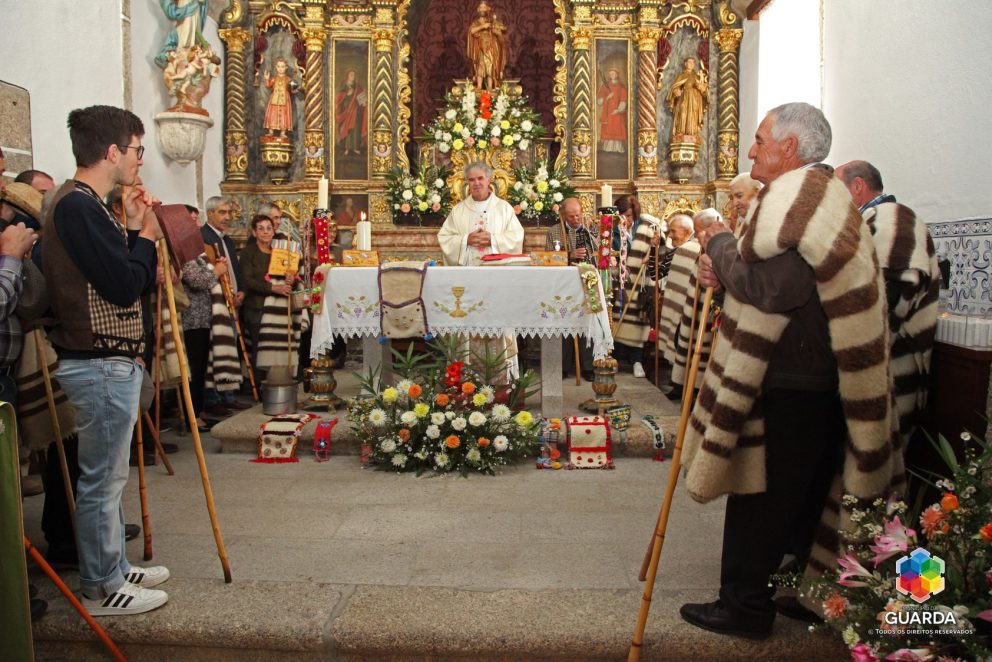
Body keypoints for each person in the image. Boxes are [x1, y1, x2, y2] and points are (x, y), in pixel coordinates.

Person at [679, 102, 899, 638]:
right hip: (814, 374)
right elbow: (764, 278)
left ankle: (744, 606)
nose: (751, 150)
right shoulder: (817, 197)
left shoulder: (803, 197)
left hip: (796, 378)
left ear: (790, 149)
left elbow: (774, 289)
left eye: (759, 140)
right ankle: (808, 590)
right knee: (801, 493)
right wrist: (725, 268)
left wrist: (721, 245)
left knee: (764, 493)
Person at [42, 105, 170, 616]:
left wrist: (134, 226)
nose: (140, 161)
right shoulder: (75, 206)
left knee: (109, 475)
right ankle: (101, 586)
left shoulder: (90, 205)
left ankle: (114, 566)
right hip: (96, 357)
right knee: (101, 477)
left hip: (109, 357)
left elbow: (121, 274)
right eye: (137, 150)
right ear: (113, 152)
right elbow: (121, 285)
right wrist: (145, 238)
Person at [835, 160, 939, 447]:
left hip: (889, 367)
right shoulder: (865, 222)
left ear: (857, 187)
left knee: (877, 461)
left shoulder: (894, 217)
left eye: (835, 188)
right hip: (865, 368)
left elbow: (892, 296)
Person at [438, 162, 524, 377]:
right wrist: (466, 240)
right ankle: (465, 380)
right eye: (471, 179)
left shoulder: (503, 208)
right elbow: (444, 238)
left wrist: (492, 239)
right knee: (467, 325)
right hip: (468, 282)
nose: (476, 183)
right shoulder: (458, 211)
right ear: (467, 183)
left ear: (489, 180)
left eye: (480, 179)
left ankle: (503, 379)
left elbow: (516, 238)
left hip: (497, 282)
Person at [660, 208, 721, 402]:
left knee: (701, 347)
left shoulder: (720, 250)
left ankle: (696, 389)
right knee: (683, 341)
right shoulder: (688, 250)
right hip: (685, 309)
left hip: (710, 310)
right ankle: (679, 384)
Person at [545, 197, 598, 380]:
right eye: (571, 216)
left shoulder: (590, 229)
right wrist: (569, 255)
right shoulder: (555, 231)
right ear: (564, 216)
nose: (576, 219)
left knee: (587, 321)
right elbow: (549, 257)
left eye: (578, 215)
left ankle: (588, 367)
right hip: (564, 283)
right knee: (564, 320)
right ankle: (563, 366)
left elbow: (599, 253)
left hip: (587, 281)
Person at [612, 195, 662, 378]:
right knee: (617, 320)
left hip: (640, 284)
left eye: (630, 216)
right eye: (623, 216)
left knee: (638, 322)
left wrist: (654, 250)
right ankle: (614, 358)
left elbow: (661, 251)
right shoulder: (612, 230)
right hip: (620, 282)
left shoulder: (647, 227)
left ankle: (637, 361)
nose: (627, 220)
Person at [240, 214, 291, 380]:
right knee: (259, 347)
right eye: (260, 229)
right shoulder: (248, 253)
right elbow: (247, 281)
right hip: (257, 307)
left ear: (274, 231)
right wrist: (272, 288)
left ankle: (277, 380)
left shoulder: (280, 252)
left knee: (276, 346)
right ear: (254, 232)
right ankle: (261, 386)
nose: (265, 232)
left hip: (278, 308)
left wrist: (291, 277)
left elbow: (288, 274)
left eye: (269, 228)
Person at [467, 0, 507, 92]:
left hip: (490, 48)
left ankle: (490, 86)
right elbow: (472, 31)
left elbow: (500, 35)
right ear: (478, 10)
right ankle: (479, 86)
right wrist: (483, 26)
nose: (482, 9)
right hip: (480, 48)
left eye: (484, 7)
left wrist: (497, 33)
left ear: (488, 9)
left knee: (490, 67)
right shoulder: (476, 23)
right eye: (481, 7)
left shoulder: (492, 22)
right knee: (480, 67)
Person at [667, 57, 708, 140]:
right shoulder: (681, 76)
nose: (691, 64)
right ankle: (680, 132)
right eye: (689, 62)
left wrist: (702, 88)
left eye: (693, 63)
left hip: (695, 99)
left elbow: (705, 91)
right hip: (684, 98)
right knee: (683, 113)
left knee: (693, 115)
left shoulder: (697, 76)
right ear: (685, 64)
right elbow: (674, 88)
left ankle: (692, 133)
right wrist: (676, 92)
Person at [335, 70, 367, 156]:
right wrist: (346, 94)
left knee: (355, 129)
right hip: (346, 111)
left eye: (354, 75)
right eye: (351, 75)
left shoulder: (358, 86)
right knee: (347, 129)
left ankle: (355, 148)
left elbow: (362, 99)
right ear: (348, 76)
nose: (353, 76)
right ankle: (347, 148)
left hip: (356, 111)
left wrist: (363, 102)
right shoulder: (343, 85)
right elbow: (338, 98)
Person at [263, 57, 296, 138]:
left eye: (282, 66)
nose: (280, 69)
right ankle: (271, 131)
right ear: (276, 67)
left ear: (286, 67)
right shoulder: (274, 78)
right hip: (274, 99)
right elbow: (268, 85)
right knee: (273, 114)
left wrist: (295, 87)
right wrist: (266, 79)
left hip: (284, 99)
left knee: (284, 114)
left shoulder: (288, 79)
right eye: (278, 66)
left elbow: (293, 89)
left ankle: (283, 132)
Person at [597, 68, 627, 153]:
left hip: (617, 112)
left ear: (617, 75)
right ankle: (608, 148)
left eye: (613, 73)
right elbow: (599, 100)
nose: (612, 75)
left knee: (616, 128)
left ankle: (617, 148)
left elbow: (624, 99)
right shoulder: (605, 86)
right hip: (607, 112)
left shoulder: (621, 86)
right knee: (608, 128)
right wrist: (607, 97)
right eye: (610, 74)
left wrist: (618, 110)